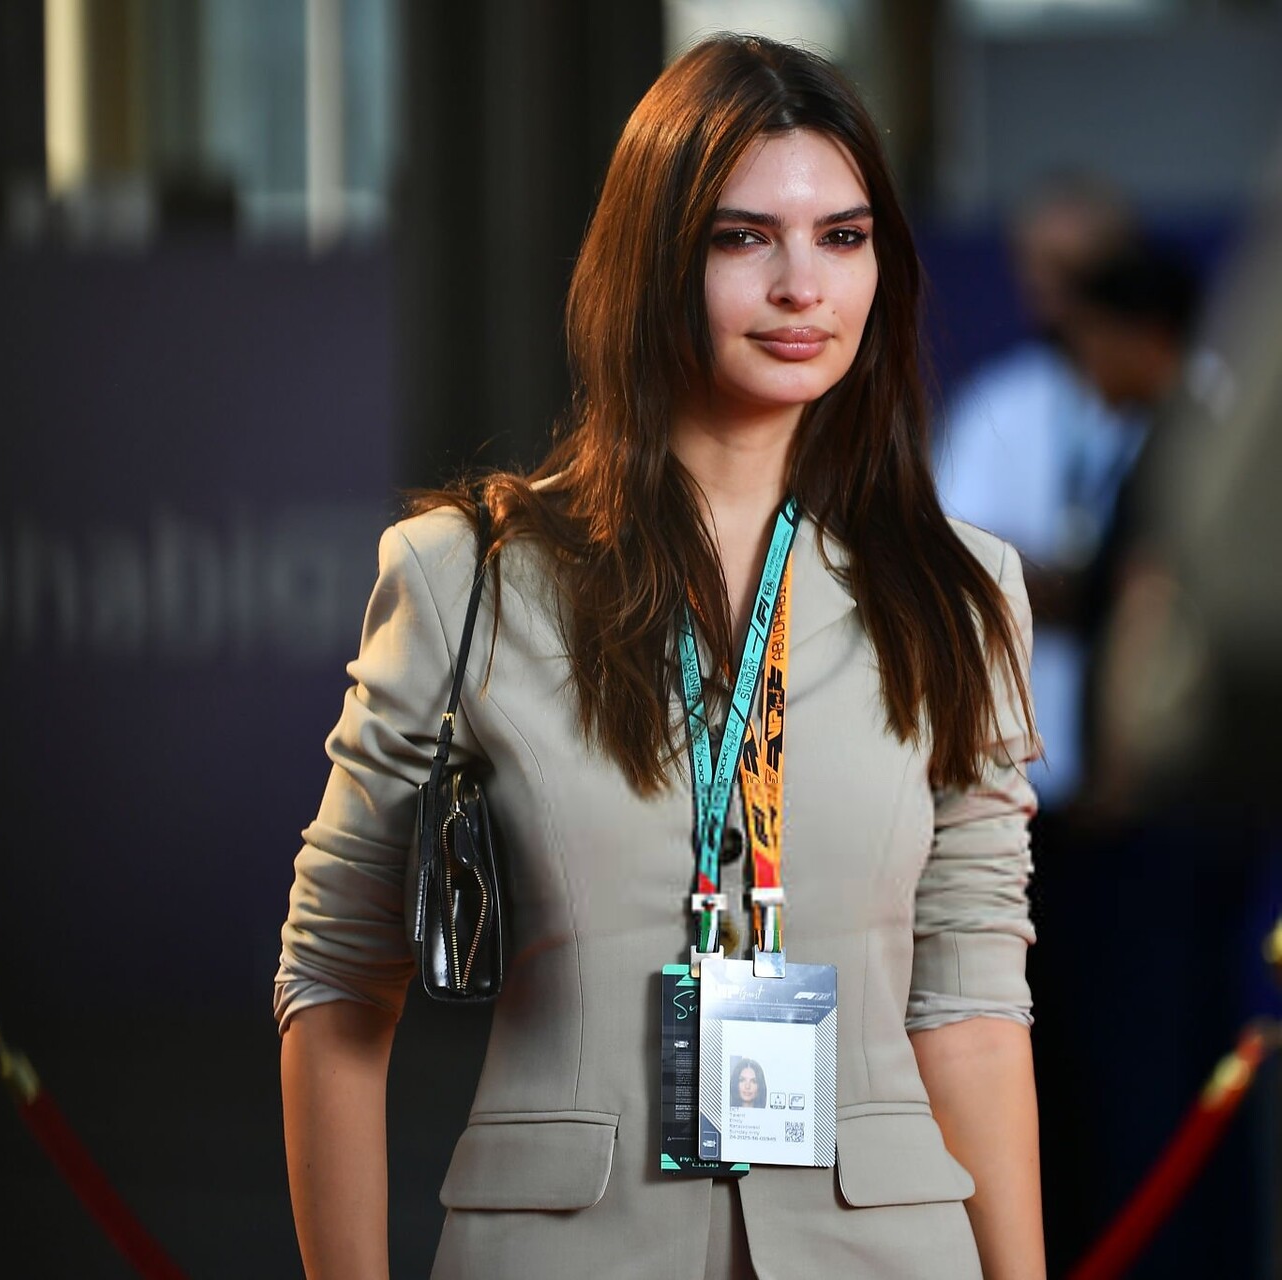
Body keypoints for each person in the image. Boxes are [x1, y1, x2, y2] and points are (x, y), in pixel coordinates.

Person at [277, 35, 1044, 1280]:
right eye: (745, 238)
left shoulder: (962, 595)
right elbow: (335, 982)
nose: (803, 285)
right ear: (653, 262)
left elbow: (971, 1006)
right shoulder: (466, 577)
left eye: (842, 237)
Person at [936, 174, 1145, 811]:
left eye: (1073, 262)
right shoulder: (995, 404)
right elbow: (951, 569)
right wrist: (1103, 588)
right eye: (1037, 262)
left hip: (1157, 776)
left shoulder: (1191, 396)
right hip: (1021, 771)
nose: (1053, 284)